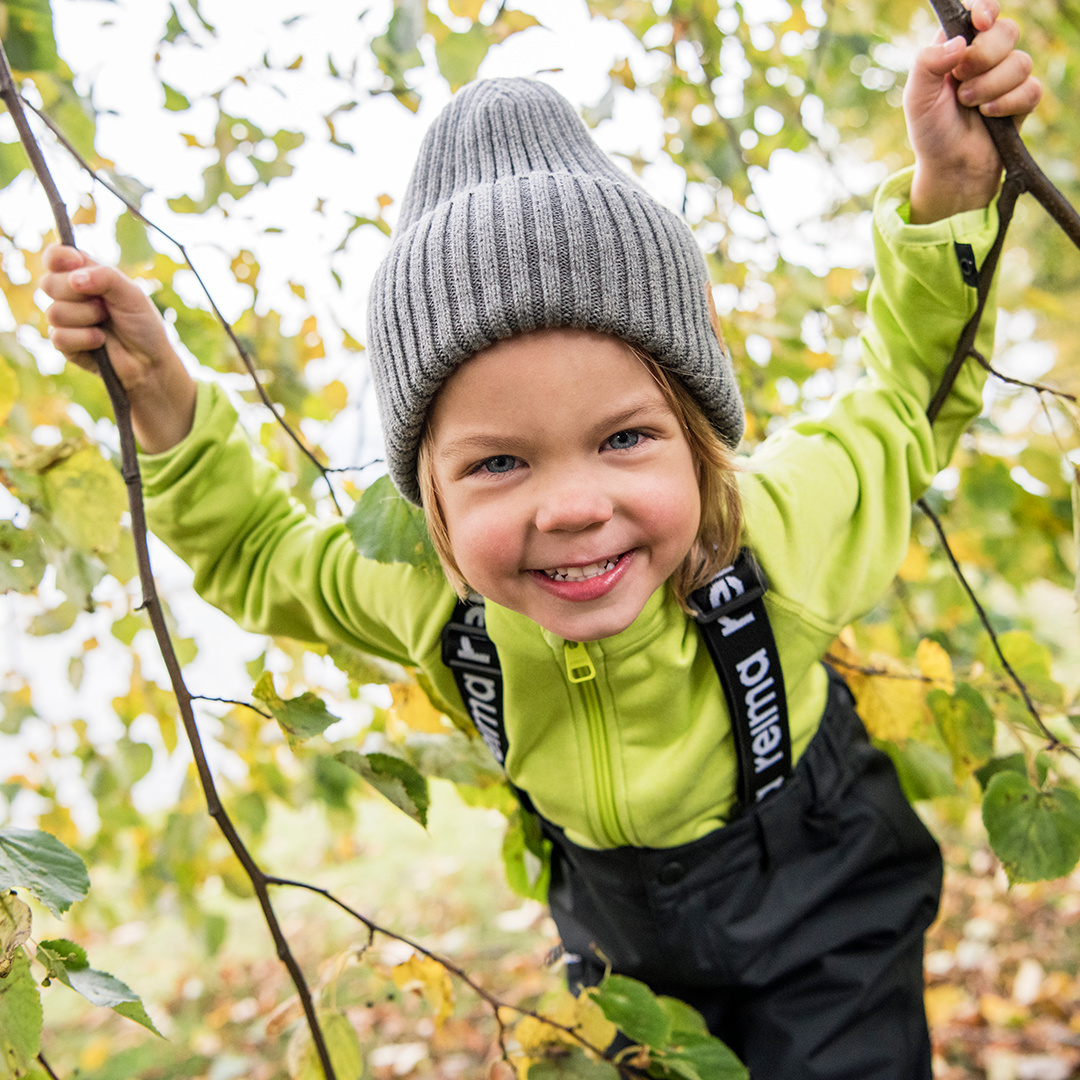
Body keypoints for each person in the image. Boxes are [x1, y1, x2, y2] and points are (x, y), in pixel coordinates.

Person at [40, 4, 1039, 1077]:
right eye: (499, 463)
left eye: (623, 438)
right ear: (426, 497)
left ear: (698, 440)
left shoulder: (774, 530)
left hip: (823, 901)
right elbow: (259, 553)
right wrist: (160, 395)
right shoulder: (422, 594)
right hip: (622, 949)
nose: (571, 507)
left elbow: (903, 404)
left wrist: (954, 195)